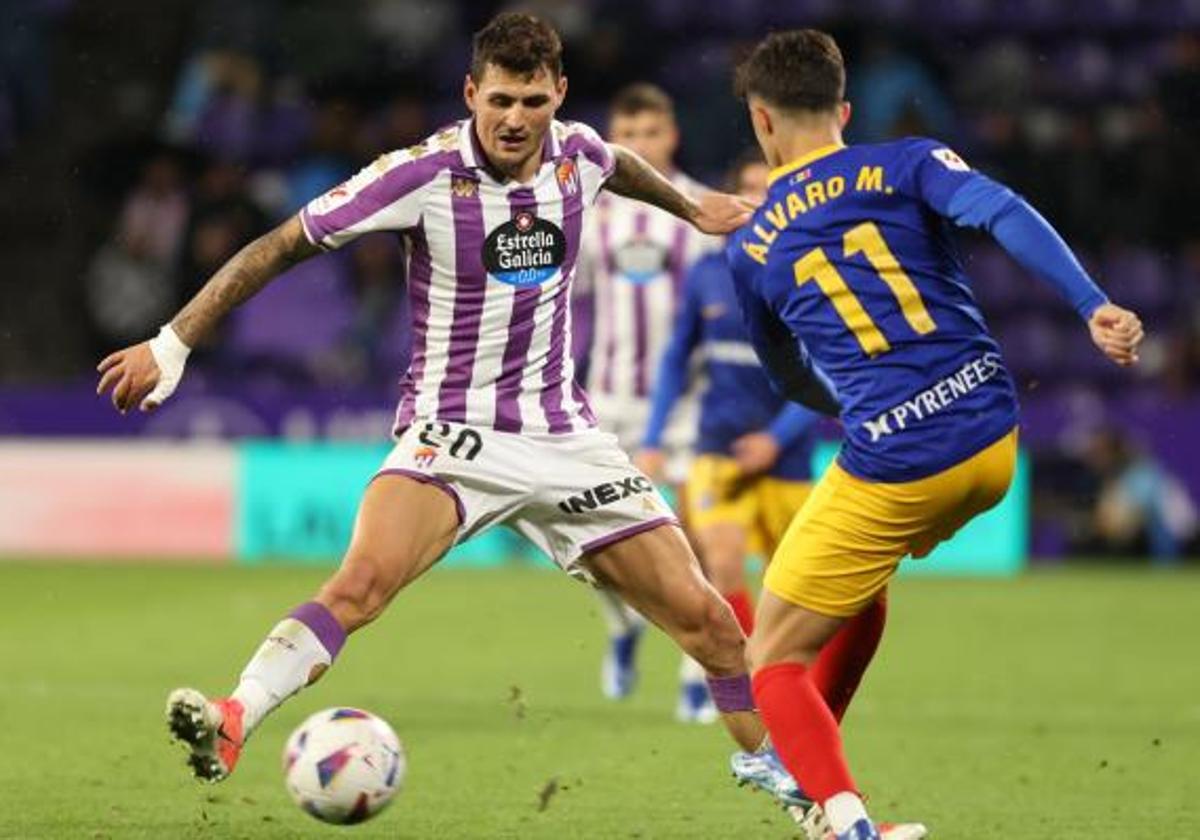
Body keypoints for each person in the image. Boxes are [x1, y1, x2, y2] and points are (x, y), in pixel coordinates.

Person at [95, 12, 797, 802]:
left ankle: (793, 787)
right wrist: (172, 343)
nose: (514, 119)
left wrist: (690, 208)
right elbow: (281, 244)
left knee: (713, 629)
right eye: (498, 100)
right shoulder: (418, 176)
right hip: (452, 437)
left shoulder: (579, 153)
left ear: (558, 96)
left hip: (566, 437)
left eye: (533, 102)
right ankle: (236, 713)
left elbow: (620, 162)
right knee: (360, 586)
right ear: (470, 93)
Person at [726, 30, 1144, 840]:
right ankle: (819, 764)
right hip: (991, 443)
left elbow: (785, 377)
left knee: (769, 659)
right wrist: (1092, 303)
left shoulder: (751, 244)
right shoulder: (908, 161)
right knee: (858, 592)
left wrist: (852, 399)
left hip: (898, 461)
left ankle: (840, 818)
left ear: (761, 122)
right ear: (843, 110)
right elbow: (1006, 213)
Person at [636, 150, 822, 668]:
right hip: (718, 445)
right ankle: (745, 675)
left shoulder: (811, 273)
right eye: (751, 190)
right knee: (720, 563)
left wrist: (776, 439)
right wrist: (653, 438)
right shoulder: (708, 272)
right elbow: (677, 358)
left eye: (771, 191)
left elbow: (832, 373)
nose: (760, 202)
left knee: (797, 590)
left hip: (787, 458)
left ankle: (781, 672)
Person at [574, 82, 720, 718]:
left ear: (673, 135)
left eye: (650, 133)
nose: (637, 145)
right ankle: (622, 625)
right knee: (587, 543)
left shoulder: (699, 212)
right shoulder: (587, 212)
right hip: (605, 400)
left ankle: (698, 672)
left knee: (698, 541)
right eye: (625, 135)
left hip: (689, 406)